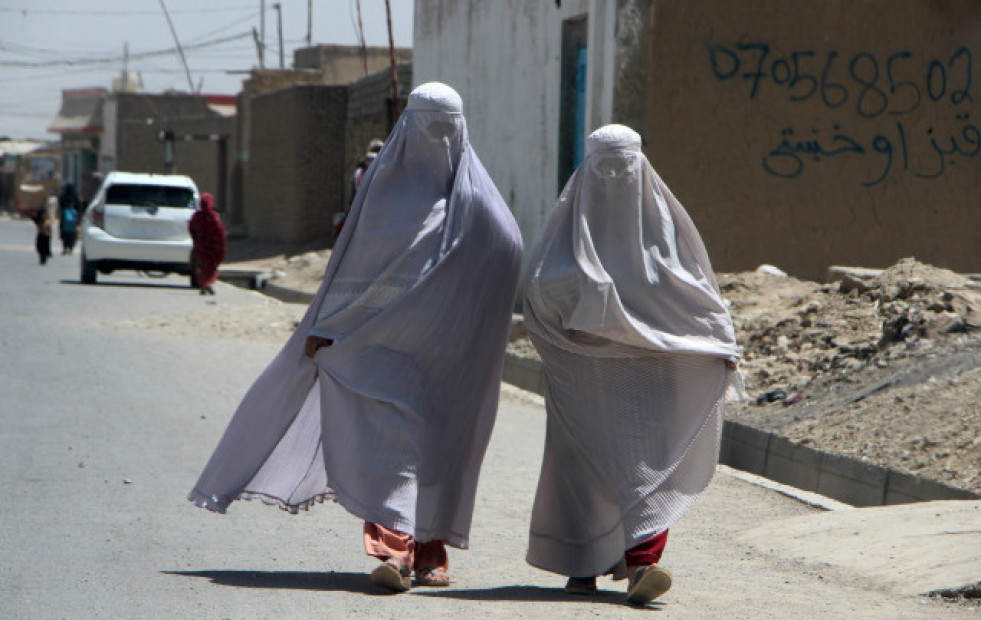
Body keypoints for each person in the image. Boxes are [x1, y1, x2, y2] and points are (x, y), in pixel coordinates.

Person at [188, 82, 523, 593]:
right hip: (380, 352)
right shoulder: (382, 196)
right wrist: (327, 329)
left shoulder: (479, 206)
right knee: (393, 448)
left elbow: (504, 259)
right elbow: (353, 269)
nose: (436, 139)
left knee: (438, 453)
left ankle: (429, 550)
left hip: (447, 360)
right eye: (428, 126)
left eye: (445, 127)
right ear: (407, 128)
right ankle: (395, 549)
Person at [521, 124, 746, 606]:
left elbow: (698, 299)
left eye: (624, 166)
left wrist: (719, 344)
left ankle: (643, 563)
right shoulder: (567, 237)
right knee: (581, 470)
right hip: (582, 376)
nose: (615, 176)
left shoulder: (667, 237)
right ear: (587, 170)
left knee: (644, 467)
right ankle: (584, 564)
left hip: (650, 378)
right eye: (606, 166)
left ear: (640, 168)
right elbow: (537, 295)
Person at [337, 139, 385, 235]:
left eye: (378, 152)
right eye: (373, 153)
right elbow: (352, 201)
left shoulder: (388, 173)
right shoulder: (358, 175)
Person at [188, 193, 226, 295]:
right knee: (210, 266)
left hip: (201, 245)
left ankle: (205, 285)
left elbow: (192, 229)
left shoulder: (196, 216)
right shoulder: (214, 216)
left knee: (202, 266)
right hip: (212, 246)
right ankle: (207, 284)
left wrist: (196, 240)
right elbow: (220, 232)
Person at [58, 184, 80, 255]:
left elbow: (60, 205)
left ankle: (65, 248)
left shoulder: (63, 197)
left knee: (65, 234)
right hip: (73, 220)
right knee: (72, 235)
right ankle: (71, 248)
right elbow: (79, 207)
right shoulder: (75, 197)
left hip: (64, 218)